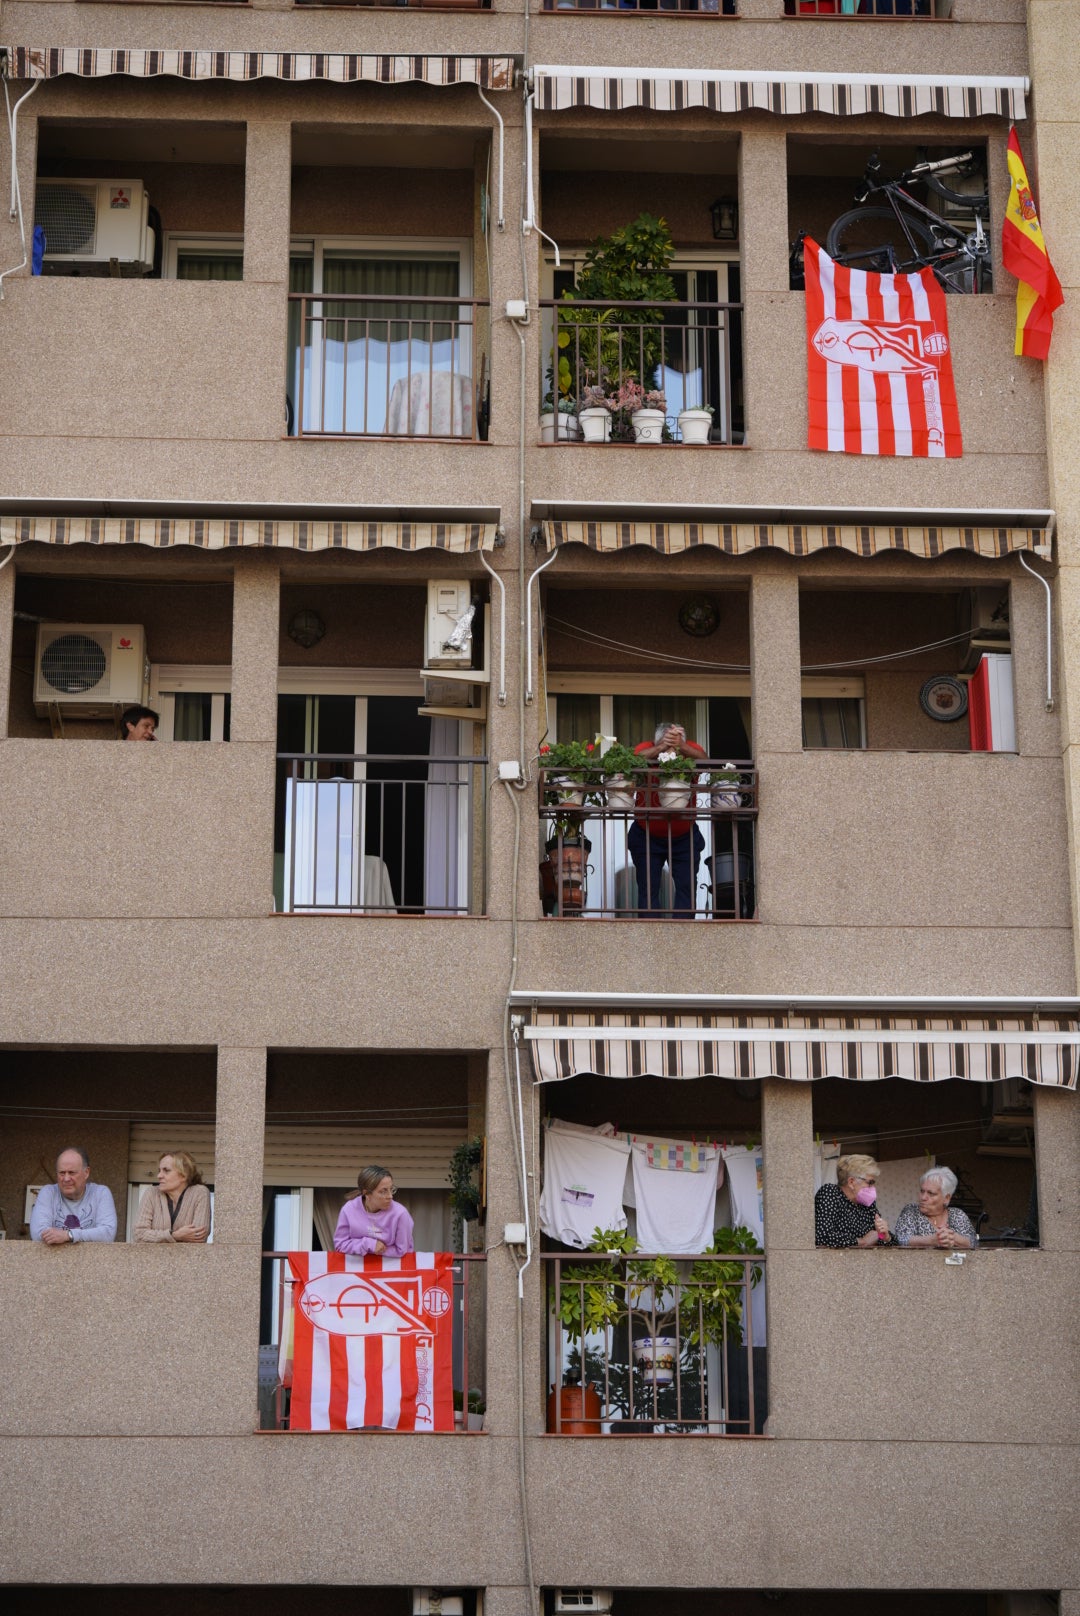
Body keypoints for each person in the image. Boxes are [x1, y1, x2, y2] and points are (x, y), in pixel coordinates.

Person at [627, 721, 707, 915]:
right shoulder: (647, 749)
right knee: (648, 890)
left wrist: (683, 747)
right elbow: (631, 760)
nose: (672, 754)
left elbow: (706, 761)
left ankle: (682, 935)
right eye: (667, 745)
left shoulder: (691, 750)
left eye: (676, 747)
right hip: (646, 834)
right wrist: (661, 748)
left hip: (684, 836)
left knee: (686, 888)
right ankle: (652, 936)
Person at [30, 1147, 117, 1245]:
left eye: (72, 1173)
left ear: (86, 1172)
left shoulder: (100, 1193)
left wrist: (68, 1235)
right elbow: (37, 1234)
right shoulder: (48, 1193)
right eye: (62, 1173)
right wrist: (85, 1236)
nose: (66, 1179)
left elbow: (108, 1234)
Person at [813, 1153, 895, 1248]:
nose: (873, 1187)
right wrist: (862, 1242)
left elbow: (882, 1238)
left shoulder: (868, 1204)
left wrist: (886, 1237)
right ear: (851, 1182)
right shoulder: (830, 1192)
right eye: (870, 1182)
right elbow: (822, 1236)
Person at [334, 1165, 414, 1257]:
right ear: (366, 1193)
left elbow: (403, 1251)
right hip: (358, 1268)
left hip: (392, 1269)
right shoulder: (348, 1210)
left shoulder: (401, 1214)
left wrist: (374, 1251)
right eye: (383, 1191)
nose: (390, 1196)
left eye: (391, 1189)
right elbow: (340, 1245)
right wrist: (368, 1244)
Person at [133, 1151, 211, 1243]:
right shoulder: (152, 1193)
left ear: (184, 1175)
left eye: (166, 1171)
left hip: (189, 1257)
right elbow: (138, 1234)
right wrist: (175, 1235)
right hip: (152, 1257)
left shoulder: (199, 1192)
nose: (159, 1176)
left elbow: (198, 1236)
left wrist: (157, 1238)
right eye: (159, 1171)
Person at [893, 1167, 978, 1251]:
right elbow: (900, 1239)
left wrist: (953, 1237)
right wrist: (931, 1240)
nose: (923, 1197)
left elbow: (974, 1242)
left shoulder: (957, 1214)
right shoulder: (911, 1211)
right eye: (922, 1191)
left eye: (931, 1193)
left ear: (946, 1198)